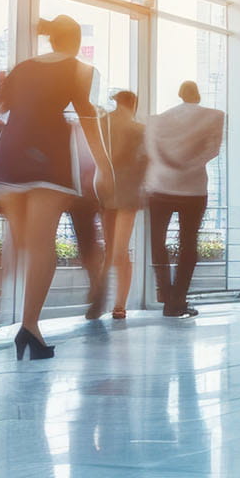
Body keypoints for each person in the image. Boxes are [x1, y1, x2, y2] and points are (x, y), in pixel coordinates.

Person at [0, 15, 114, 359]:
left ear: (51, 39)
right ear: (75, 41)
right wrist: (104, 165)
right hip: (49, 158)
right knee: (43, 247)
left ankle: (25, 328)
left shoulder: (22, 68)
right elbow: (88, 120)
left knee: (24, 245)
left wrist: (17, 129)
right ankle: (29, 327)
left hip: (9, 157)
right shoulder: (81, 69)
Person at [143, 81, 225, 317]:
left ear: (179, 95)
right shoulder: (213, 117)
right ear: (197, 95)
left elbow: (150, 150)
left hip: (160, 186)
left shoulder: (158, 121)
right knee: (189, 243)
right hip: (194, 189)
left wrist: (170, 166)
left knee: (158, 242)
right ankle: (178, 299)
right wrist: (188, 166)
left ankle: (165, 293)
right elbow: (212, 150)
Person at [99, 90, 148, 319]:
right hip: (126, 193)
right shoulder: (138, 130)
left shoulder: (103, 124)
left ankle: (108, 301)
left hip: (110, 191)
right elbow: (146, 162)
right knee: (118, 250)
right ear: (133, 104)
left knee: (113, 250)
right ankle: (117, 304)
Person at [64, 115, 109, 320]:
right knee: (87, 245)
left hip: (87, 195)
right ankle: (97, 288)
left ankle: (98, 289)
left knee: (89, 245)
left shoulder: (78, 130)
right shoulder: (79, 129)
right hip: (80, 195)